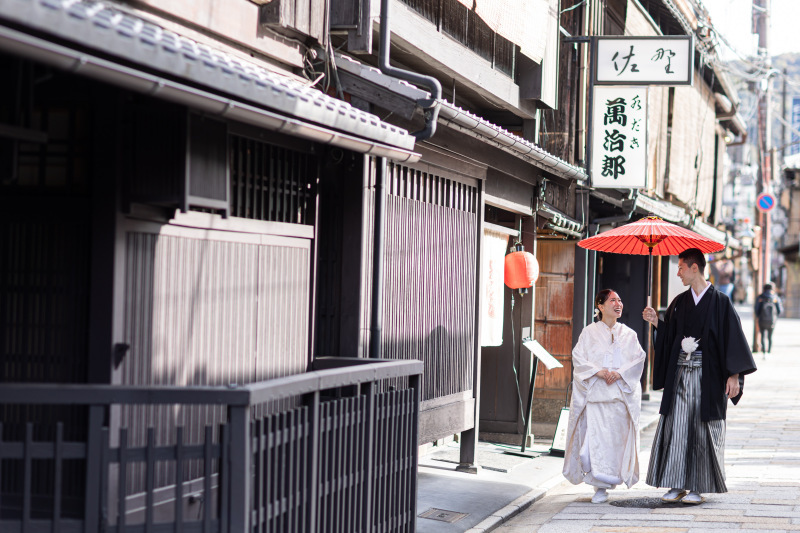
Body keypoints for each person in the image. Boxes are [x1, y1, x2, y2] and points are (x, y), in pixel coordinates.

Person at [642, 248, 757, 505]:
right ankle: (677, 483)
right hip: (682, 374)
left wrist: (734, 375)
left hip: (710, 376)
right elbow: (671, 335)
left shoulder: (721, 302)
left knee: (703, 429)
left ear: (695, 268)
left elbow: (733, 338)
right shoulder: (680, 302)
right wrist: (656, 322)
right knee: (678, 426)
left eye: (681, 267)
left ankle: (698, 486)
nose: (678, 272)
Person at [563, 289, 646, 504]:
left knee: (615, 443)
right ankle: (598, 486)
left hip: (618, 399)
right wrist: (598, 372)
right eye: (612, 300)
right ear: (600, 306)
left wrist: (619, 373)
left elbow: (638, 359)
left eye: (620, 300)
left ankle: (611, 481)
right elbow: (578, 358)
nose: (618, 304)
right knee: (594, 443)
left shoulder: (629, 334)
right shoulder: (588, 333)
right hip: (596, 398)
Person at [755, 282, 783, 354]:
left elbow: (756, 309)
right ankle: (769, 351)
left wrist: (759, 316)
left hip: (762, 320)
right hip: (772, 320)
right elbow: (780, 310)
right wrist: (775, 317)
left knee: (763, 335)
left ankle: (764, 351)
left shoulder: (760, 297)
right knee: (770, 336)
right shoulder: (776, 297)